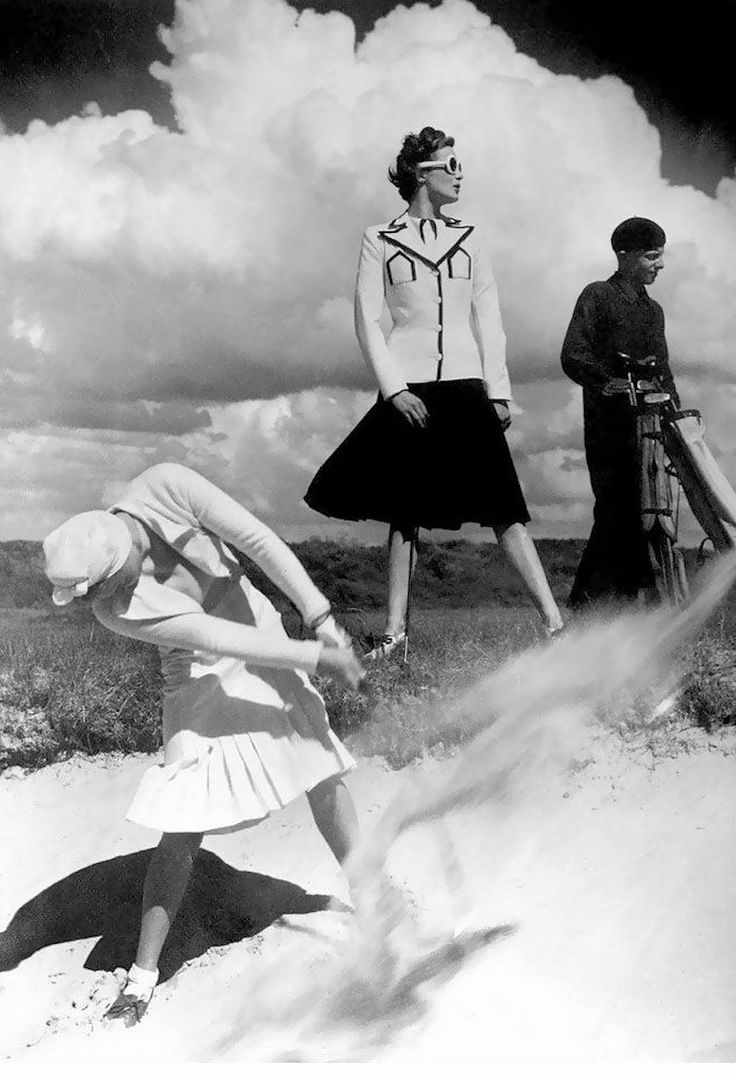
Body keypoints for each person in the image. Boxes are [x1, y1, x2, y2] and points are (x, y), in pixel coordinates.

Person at [42, 462, 365, 1025]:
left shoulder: (169, 485)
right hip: (194, 675)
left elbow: (259, 543)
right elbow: (213, 638)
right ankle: (142, 978)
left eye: (108, 584)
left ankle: (373, 891)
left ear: (122, 555)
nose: (102, 601)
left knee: (320, 768)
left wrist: (319, 617)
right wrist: (318, 657)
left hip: (260, 630)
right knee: (183, 817)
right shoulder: (115, 609)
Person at [305, 126, 563, 659]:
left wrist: (499, 391)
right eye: (451, 165)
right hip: (410, 388)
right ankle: (395, 634)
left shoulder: (471, 237)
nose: (460, 174)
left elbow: (488, 316)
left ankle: (556, 626)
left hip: (468, 386)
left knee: (504, 508)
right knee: (405, 512)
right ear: (421, 174)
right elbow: (367, 319)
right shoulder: (379, 238)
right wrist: (394, 389)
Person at [561, 216, 681, 608]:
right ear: (624, 256)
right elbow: (573, 355)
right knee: (617, 509)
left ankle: (627, 602)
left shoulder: (654, 312)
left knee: (649, 512)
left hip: (648, 427)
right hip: (607, 426)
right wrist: (607, 381)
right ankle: (592, 604)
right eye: (651, 257)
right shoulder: (597, 296)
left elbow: (662, 369)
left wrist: (677, 415)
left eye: (660, 257)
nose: (658, 265)